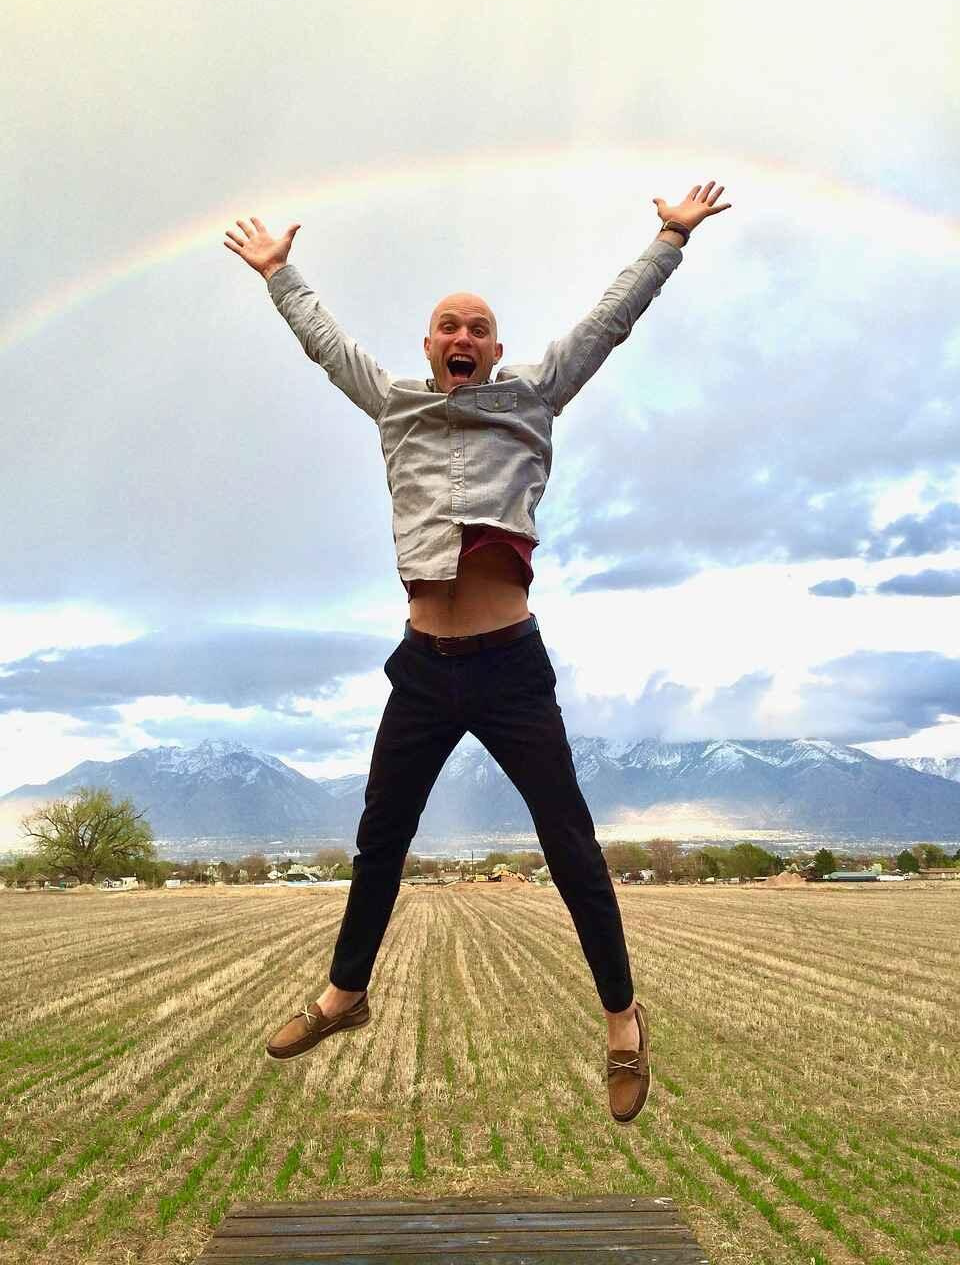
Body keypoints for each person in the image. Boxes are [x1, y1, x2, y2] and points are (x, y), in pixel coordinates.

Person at [224, 182, 732, 1123]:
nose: (463, 337)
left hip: (508, 666)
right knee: (381, 838)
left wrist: (670, 236)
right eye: (449, 326)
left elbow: (607, 324)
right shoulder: (394, 404)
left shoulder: (532, 395)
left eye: (480, 328)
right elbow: (327, 346)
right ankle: (345, 994)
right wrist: (279, 275)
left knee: (569, 844)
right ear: (429, 346)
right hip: (423, 668)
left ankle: (622, 1020)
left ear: (495, 350)